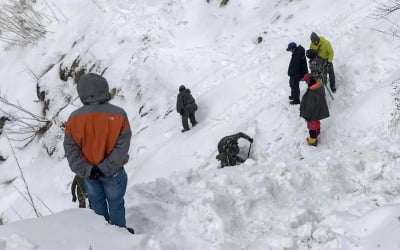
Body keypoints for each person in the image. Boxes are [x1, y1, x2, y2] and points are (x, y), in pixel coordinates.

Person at [64, 73, 134, 234]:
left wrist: (88, 170)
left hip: (90, 175)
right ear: (105, 88)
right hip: (114, 172)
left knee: (97, 205)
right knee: (116, 203)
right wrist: (106, 167)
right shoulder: (119, 114)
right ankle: (120, 235)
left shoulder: (74, 119)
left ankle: (103, 238)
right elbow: (122, 145)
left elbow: (71, 150)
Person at [300, 73, 330, 146]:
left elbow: (310, 106)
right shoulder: (319, 86)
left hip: (312, 113)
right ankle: (317, 132)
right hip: (318, 109)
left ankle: (313, 140)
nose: (306, 83)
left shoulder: (312, 92)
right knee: (316, 122)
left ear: (309, 81)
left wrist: (307, 116)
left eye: (306, 81)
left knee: (312, 126)